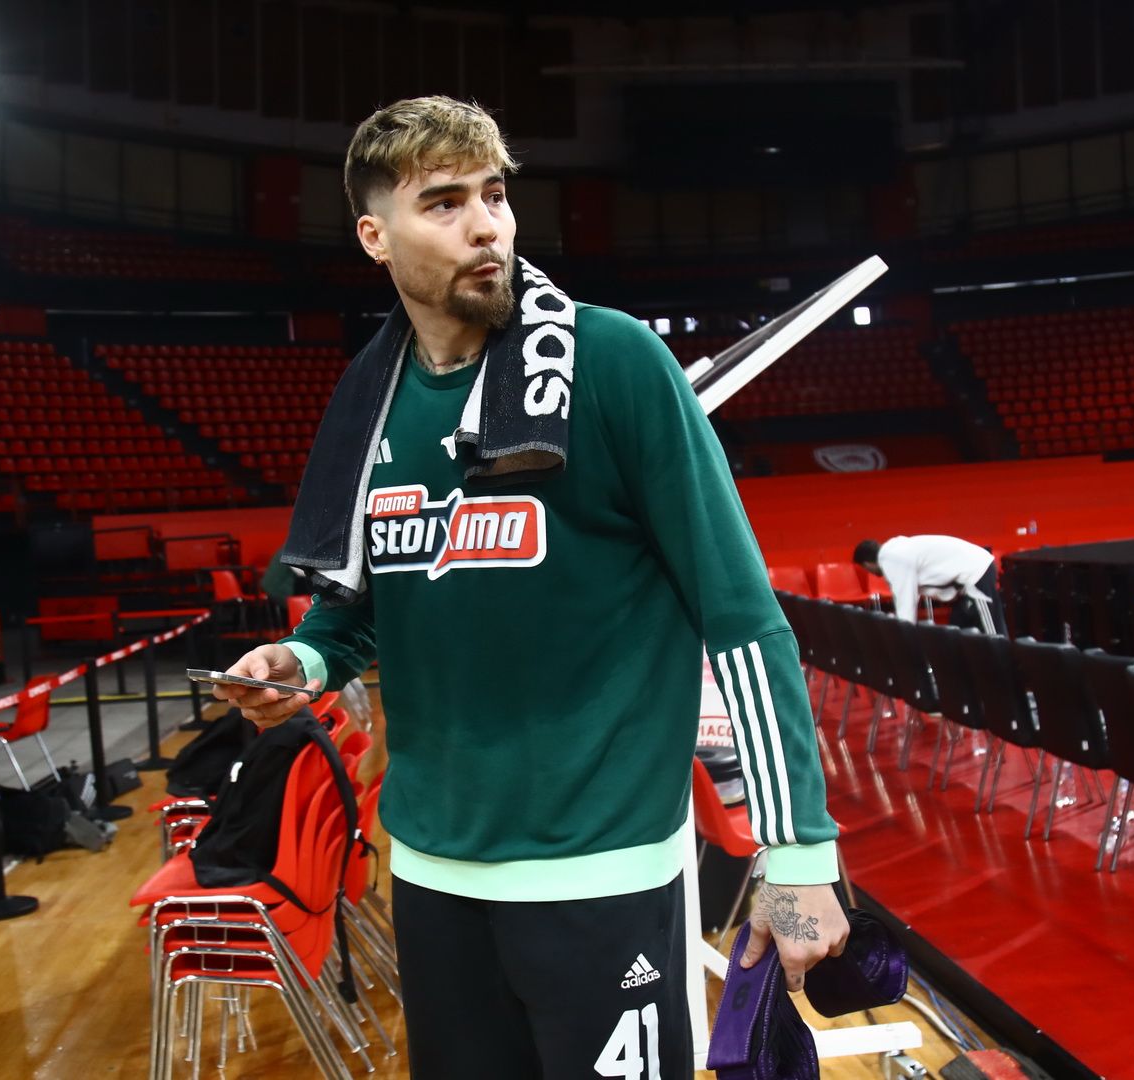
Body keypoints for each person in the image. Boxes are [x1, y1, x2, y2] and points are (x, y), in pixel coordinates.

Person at [210, 96, 847, 1078]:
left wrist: (799, 853)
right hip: (433, 870)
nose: (486, 226)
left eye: (495, 196)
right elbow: (366, 606)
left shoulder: (616, 362)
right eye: (445, 202)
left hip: (604, 868)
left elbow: (741, 618)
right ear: (375, 237)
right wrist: (305, 659)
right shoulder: (367, 402)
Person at [853, 535, 1006, 634]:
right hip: (964, 583)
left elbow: (905, 601)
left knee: (993, 634)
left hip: (975, 573)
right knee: (957, 633)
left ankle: (1004, 671)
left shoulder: (891, 559)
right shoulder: (894, 550)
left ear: (867, 564)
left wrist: (904, 636)